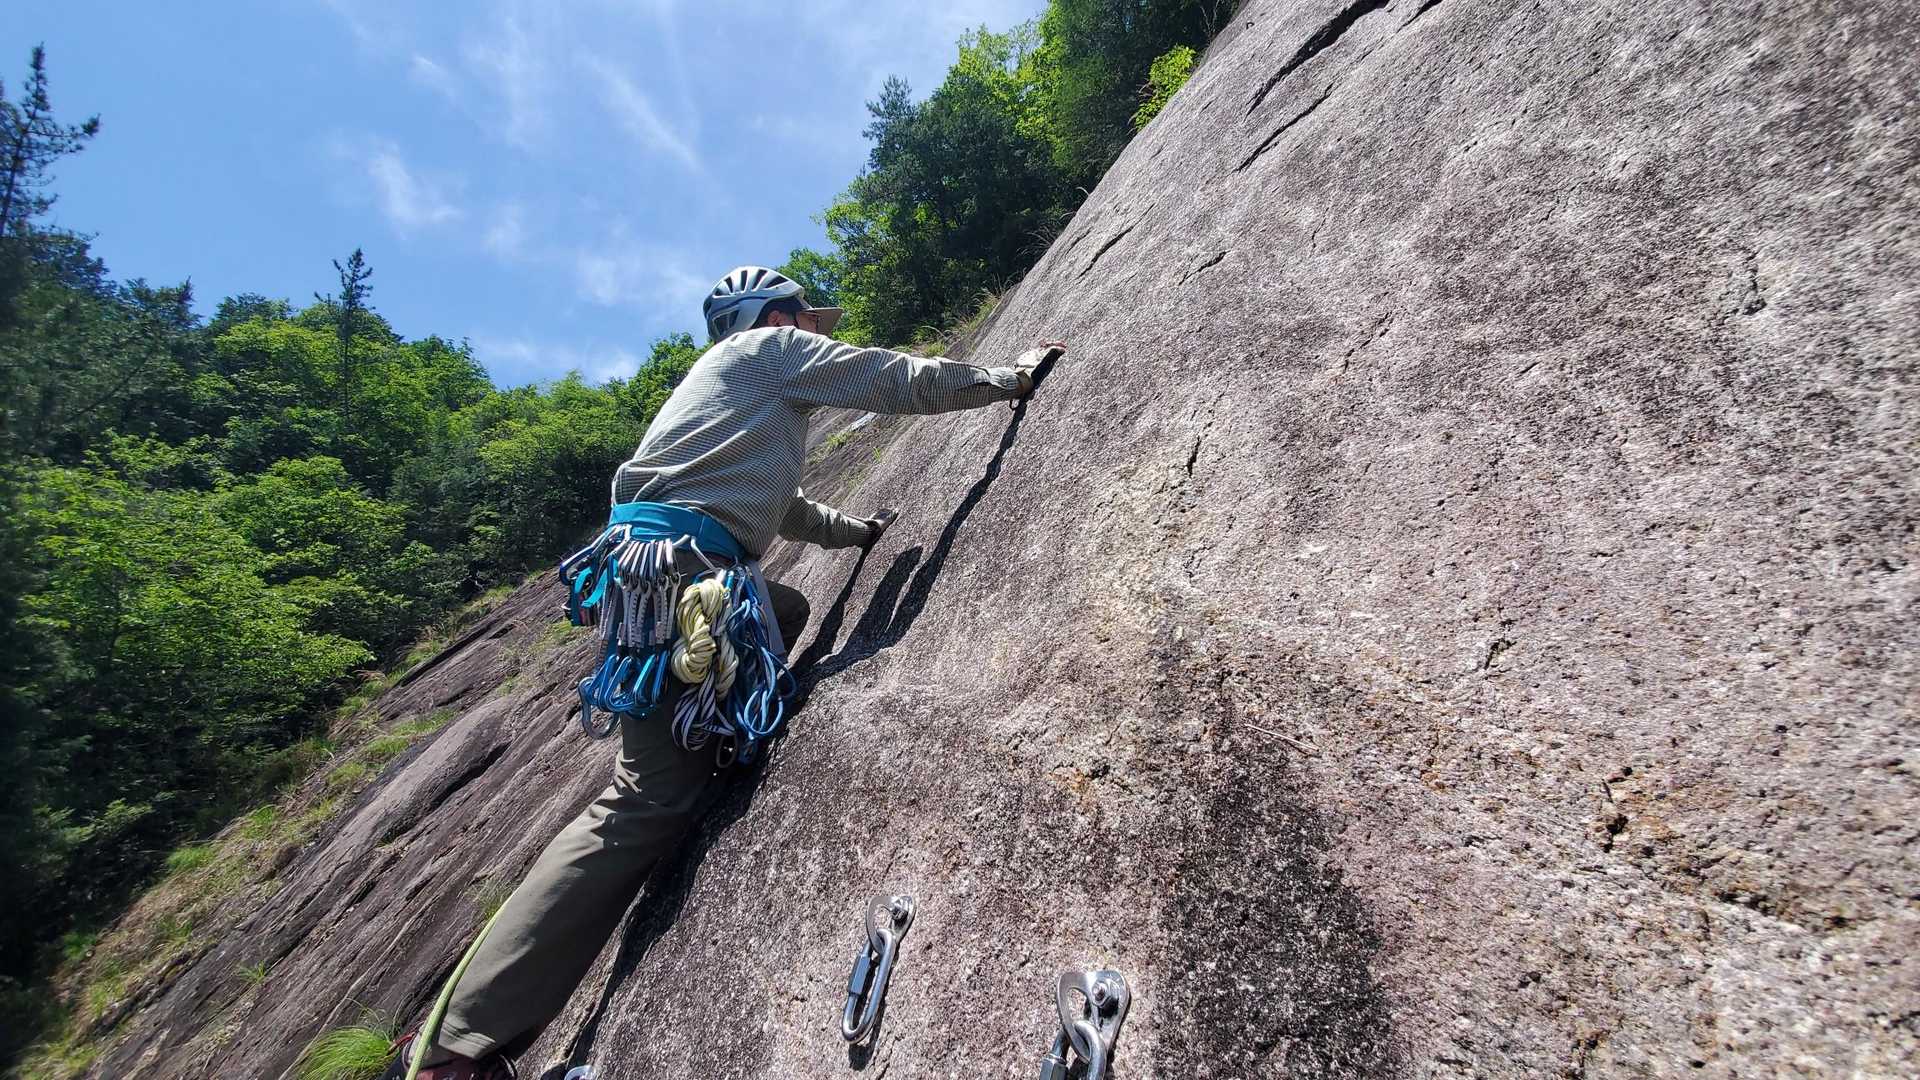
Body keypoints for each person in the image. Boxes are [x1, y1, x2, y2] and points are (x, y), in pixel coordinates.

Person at [379, 266, 1063, 1079]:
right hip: (680, 575)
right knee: (645, 799)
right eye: (804, 317)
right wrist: (1005, 380)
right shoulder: (769, 353)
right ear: (774, 316)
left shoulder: (729, 401)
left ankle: (708, 733)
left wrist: (858, 533)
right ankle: (457, 1046)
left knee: (784, 611)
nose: (813, 330)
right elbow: (889, 377)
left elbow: (788, 507)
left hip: (666, 575)